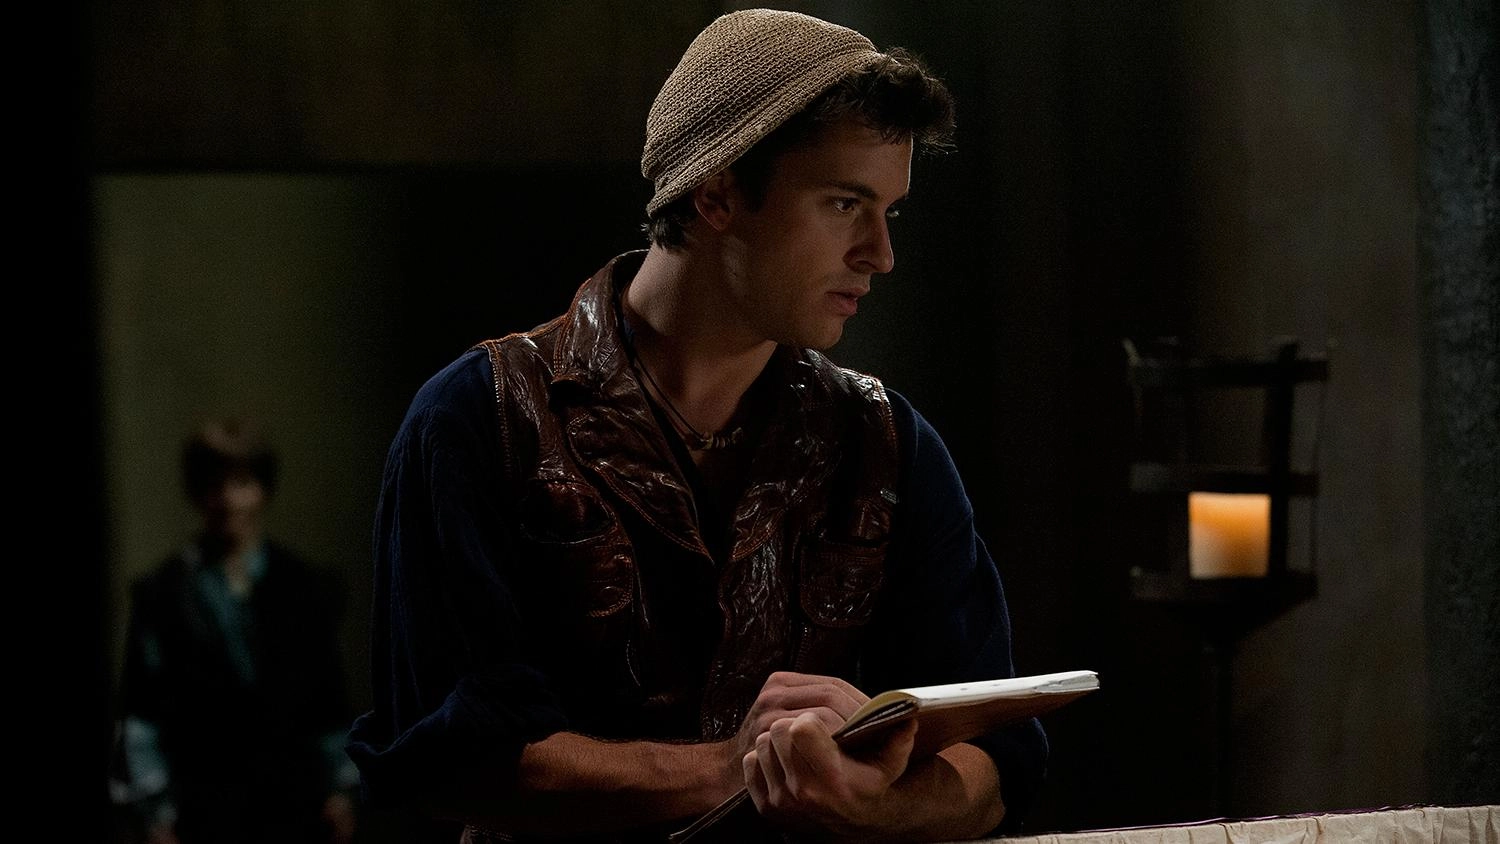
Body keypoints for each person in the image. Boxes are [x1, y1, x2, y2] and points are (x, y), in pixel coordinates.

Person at [346, 8, 1049, 843]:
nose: (879, 254)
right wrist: (734, 765)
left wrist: (871, 805)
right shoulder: (480, 417)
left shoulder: (887, 444)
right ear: (716, 193)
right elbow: (449, 754)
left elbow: (996, 759)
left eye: (888, 213)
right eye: (842, 203)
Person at [112, 418, 360, 844]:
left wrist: (341, 786)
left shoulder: (302, 586)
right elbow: (142, 714)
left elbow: (328, 699)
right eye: (214, 485)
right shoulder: (163, 592)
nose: (228, 500)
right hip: (203, 806)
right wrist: (154, 810)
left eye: (242, 483)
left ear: (263, 489)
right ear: (196, 492)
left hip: (294, 804)